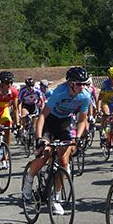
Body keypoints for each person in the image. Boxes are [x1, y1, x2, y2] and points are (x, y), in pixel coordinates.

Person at [23, 66, 91, 215]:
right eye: (79, 84)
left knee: (64, 162)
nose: (83, 87)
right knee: (44, 154)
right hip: (49, 122)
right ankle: (29, 179)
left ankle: (56, 198)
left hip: (64, 123)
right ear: (70, 83)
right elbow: (42, 116)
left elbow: (81, 120)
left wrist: (78, 138)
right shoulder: (59, 93)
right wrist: (40, 138)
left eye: (85, 84)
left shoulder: (85, 96)